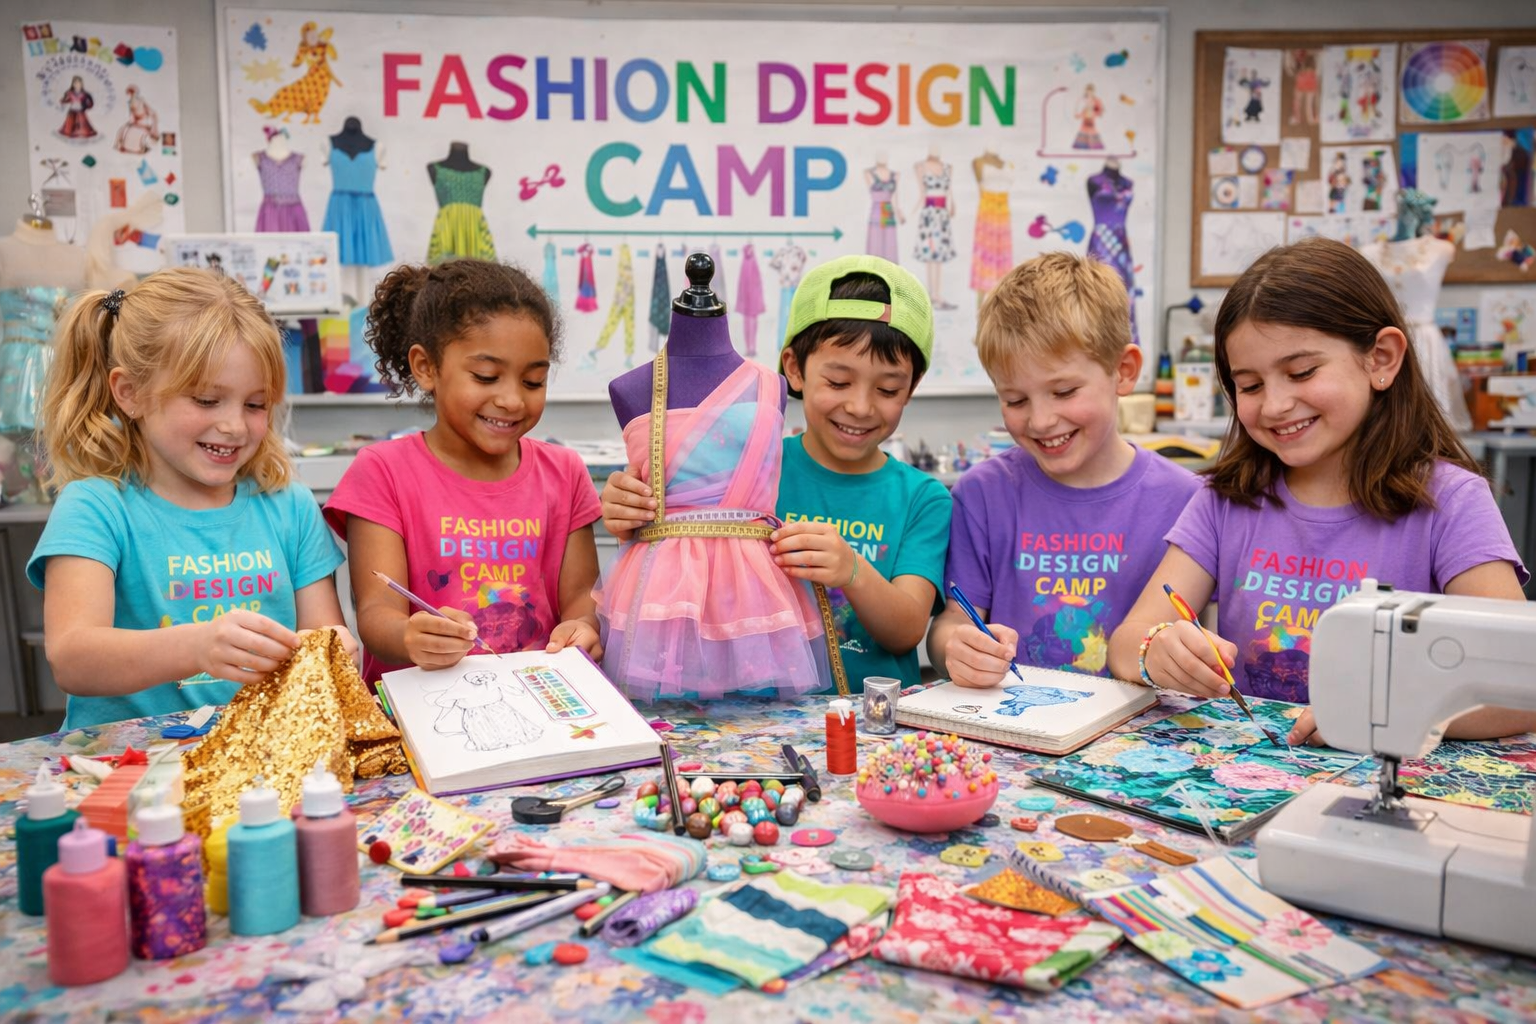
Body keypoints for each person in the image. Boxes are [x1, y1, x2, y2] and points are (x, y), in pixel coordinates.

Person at [1108, 237, 1534, 744]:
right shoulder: (1225, 499)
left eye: (1301, 372)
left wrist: (1378, 711)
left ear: (1381, 358)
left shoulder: (1451, 503)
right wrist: (1156, 651)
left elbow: (1520, 687)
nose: (1275, 405)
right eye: (1250, 385)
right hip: (1252, 784)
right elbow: (1126, 642)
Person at [601, 255, 950, 693]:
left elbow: (906, 631)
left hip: (874, 726)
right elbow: (678, 566)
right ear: (794, 369)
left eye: (887, 389)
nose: (861, 407)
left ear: (911, 388)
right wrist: (631, 517)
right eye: (839, 382)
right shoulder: (744, 472)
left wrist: (852, 570)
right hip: (755, 720)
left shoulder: (924, 499)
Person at [27, 268, 354, 729]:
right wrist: (196, 646)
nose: (235, 426)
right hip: (130, 771)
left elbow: (321, 636)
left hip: (263, 757)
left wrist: (334, 650)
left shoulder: (290, 505)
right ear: (130, 393)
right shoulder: (95, 507)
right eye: (205, 400)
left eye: (256, 404)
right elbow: (73, 659)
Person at [928, 252, 1200, 687]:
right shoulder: (981, 493)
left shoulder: (1187, 499)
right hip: (1017, 731)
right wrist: (955, 649)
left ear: (1123, 372)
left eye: (1064, 391)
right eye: (1015, 400)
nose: (1039, 420)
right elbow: (954, 621)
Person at [324, 259, 601, 681]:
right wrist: (409, 636)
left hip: (538, 704)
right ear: (426, 367)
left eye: (532, 382)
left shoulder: (564, 472)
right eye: (486, 376)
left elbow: (581, 596)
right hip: (418, 718)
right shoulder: (382, 472)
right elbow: (376, 612)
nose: (512, 400)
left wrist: (583, 626)